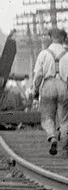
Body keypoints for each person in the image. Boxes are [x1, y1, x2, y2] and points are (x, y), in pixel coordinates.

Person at [31, 27, 68, 155]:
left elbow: (38, 76)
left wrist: (35, 92)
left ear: (51, 38)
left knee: (47, 116)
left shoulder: (44, 54)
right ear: (64, 38)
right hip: (63, 86)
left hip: (48, 85)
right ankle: (64, 146)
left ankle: (52, 136)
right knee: (64, 119)